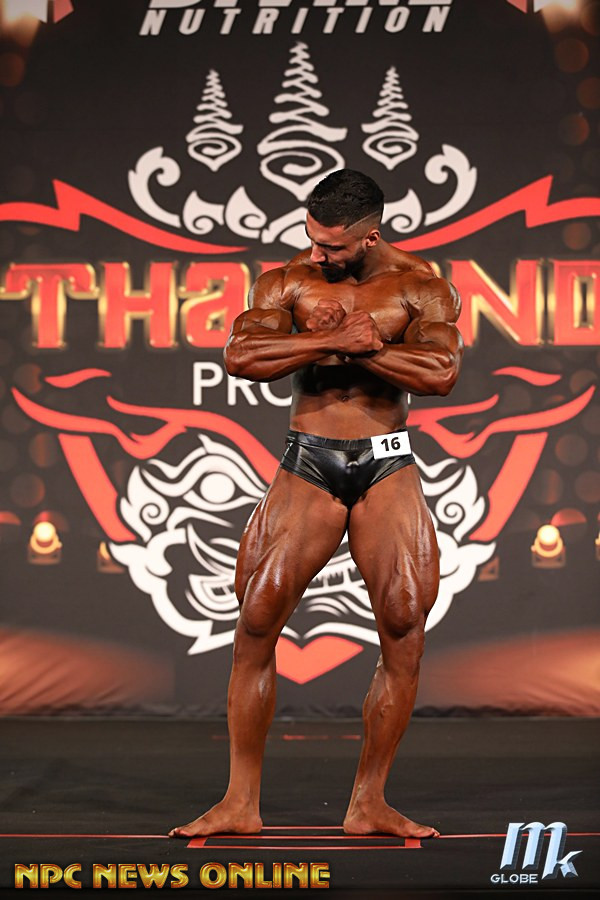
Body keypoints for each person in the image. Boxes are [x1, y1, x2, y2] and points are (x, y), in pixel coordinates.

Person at [169, 169, 463, 840]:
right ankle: (240, 802)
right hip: (309, 459)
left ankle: (369, 803)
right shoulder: (287, 282)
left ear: (370, 237)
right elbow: (243, 355)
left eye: (332, 246)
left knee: (404, 626)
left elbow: (441, 372)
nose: (317, 253)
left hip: (386, 461)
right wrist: (331, 341)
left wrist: (370, 346)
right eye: (311, 238)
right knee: (255, 620)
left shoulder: (421, 286)